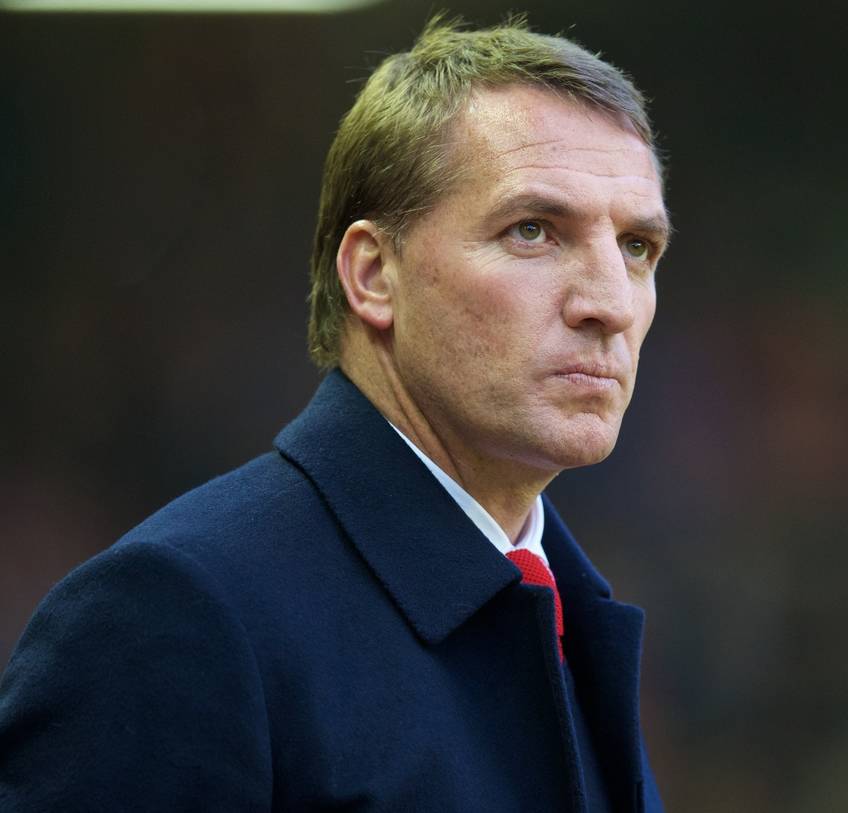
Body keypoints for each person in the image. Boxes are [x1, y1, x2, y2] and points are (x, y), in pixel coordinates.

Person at [0, 17, 670, 812]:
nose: (609, 303)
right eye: (533, 230)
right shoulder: (172, 618)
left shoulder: (567, 616)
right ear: (374, 275)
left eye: (636, 246)